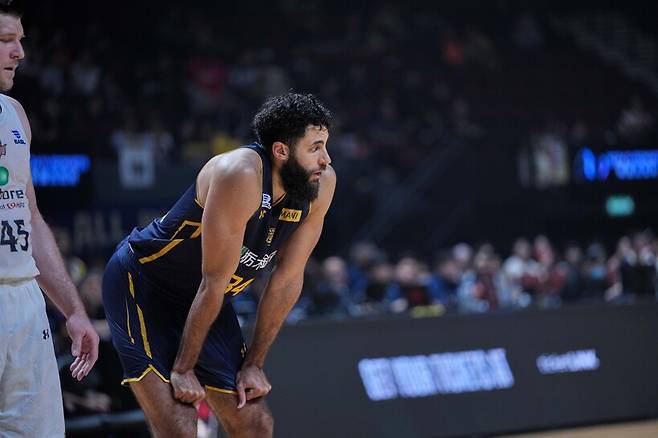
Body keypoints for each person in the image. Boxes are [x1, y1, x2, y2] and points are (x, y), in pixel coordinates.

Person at [102, 92, 335, 437]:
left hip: (205, 300)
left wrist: (254, 363)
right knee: (181, 428)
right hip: (144, 284)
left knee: (255, 424)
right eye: (315, 148)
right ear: (281, 151)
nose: (326, 159)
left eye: (325, 145)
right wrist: (184, 368)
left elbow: (287, 279)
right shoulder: (239, 173)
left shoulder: (321, 184)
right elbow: (213, 281)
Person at [0, 1, 100, 436]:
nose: (19, 52)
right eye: (5, 40)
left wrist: (73, 310)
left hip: (24, 301)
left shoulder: (15, 114)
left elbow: (31, 217)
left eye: (20, 40)